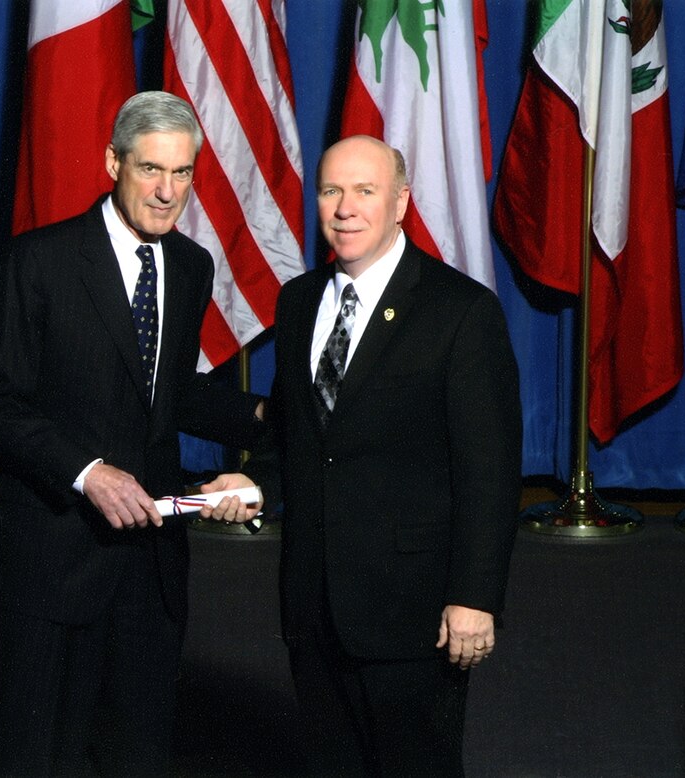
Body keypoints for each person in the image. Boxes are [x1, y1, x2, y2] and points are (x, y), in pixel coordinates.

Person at [0, 91, 263, 775]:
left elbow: (166, 393)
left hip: (149, 566)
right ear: (112, 162)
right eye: (151, 169)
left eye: (181, 173)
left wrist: (261, 417)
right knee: (36, 758)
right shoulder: (40, 260)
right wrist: (86, 472)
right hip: (49, 559)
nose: (167, 192)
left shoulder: (191, 265)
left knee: (136, 755)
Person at [205, 135, 522, 776]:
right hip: (313, 604)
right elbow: (297, 437)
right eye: (331, 191)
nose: (345, 208)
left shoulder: (461, 311)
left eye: (364, 191)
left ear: (400, 203)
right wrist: (257, 483)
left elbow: (489, 475)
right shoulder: (298, 301)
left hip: (414, 611)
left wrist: (475, 598)